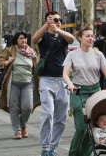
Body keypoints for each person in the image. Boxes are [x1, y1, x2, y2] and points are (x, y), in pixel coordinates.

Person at [63, 27, 106, 156]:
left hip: (95, 92)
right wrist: (70, 84)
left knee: (91, 127)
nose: (91, 38)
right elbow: (65, 74)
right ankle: (74, 153)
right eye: (87, 36)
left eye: (92, 36)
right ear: (80, 38)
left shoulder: (98, 54)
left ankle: (87, 154)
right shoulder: (72, 54)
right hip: (78, 92)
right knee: (81, 128)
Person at [32, 11, 74, 156]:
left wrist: (59, 30)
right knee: (47, 114)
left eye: (59, 20)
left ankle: (52, 147)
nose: (58, 22)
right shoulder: (44, 36)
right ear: (49, 21)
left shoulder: (62, 37)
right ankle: (44, 147)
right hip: (46, 80)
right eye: (55, 20)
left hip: (62, 81)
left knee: (61, 118)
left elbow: (72, 39)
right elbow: (34, 39)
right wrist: (46, 25)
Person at [0, 31, 40, 139]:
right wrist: (7, 62)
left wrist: (39, 82)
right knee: (14, 108)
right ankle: (17, 131)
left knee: (28, 107)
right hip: (13, 84)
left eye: (25, 38)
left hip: (28, 84)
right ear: (16, 40)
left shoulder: (31, 52)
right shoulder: (9, 50)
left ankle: (23, 125)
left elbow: (37, 68)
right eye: (21, 38)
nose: (24, 40)